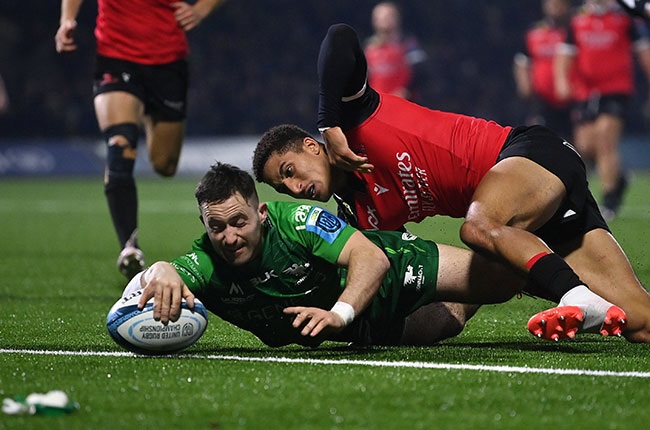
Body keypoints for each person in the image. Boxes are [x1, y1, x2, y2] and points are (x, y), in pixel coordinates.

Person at [252, 23, 650, 343]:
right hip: (529, 217)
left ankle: (576, 297)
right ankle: (579, 296)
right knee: (639, 321)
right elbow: (397, 269)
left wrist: (330, 121)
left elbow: (340, 37)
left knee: (477, 228)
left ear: (311, 146)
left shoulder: (355, 115)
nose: (294, 187)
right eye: (282, 188)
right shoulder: (360, 215)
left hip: (529, 154)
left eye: (289, 170)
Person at [125, 163, 585, 348]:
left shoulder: (300, 220)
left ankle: (579, 292)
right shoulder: (207, 261)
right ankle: (487, 284)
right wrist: (160, 270)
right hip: (364, 325)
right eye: (217, 227)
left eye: (238, 222)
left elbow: (370, 260)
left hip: (385, 268)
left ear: (261, 213)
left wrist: (340, 314)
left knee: (502, 281)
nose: (229, 237)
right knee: (445, 324)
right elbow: (168, 275)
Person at [54, 0, 223, 279]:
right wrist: (67, 19)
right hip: (116, 55)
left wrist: (201, 9)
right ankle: (129, 247)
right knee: (120, 146)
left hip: (168, 61)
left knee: (164, 164)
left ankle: (141, 109)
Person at [555, 0, 650, 221]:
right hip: (586, 93)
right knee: (585, 147)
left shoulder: (625, 18)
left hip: (616, 90)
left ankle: (609, 202)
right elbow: (565, 53)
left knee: (606, 139)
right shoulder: (577, 19)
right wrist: (561, 80)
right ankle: (619, 177)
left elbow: (644, 53)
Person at [513, 0, 574, 139]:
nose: (554, 7)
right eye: (551, 3)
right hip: (542, 100)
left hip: (573, 99)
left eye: (559, 4)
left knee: (578, 145)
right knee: (541, 140)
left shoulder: (574, 30)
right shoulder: (534, 32)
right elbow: (522, 61)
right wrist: (524, 83)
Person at [364, 2, 428, 102]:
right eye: (380, 17)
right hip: (376, 104)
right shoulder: (368, 47)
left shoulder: (408, 43)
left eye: (388, 16)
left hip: (404, 102)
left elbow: (421, 71)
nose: (384, 20)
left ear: (397, 18)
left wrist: (406, 90)